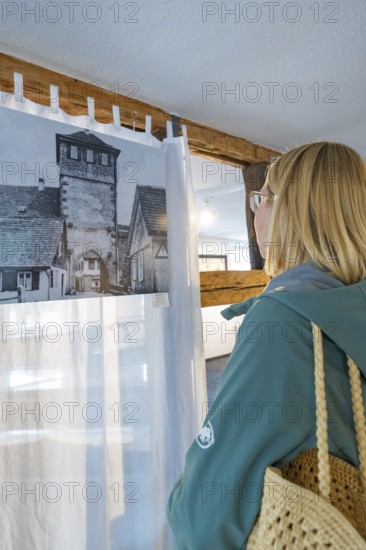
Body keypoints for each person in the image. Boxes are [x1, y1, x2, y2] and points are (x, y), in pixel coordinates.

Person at [166, 141, 366, 549]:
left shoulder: (282, 321)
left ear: (297, 213)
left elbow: (203, 515)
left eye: (265, 197)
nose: (257, 208)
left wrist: (180, 499)